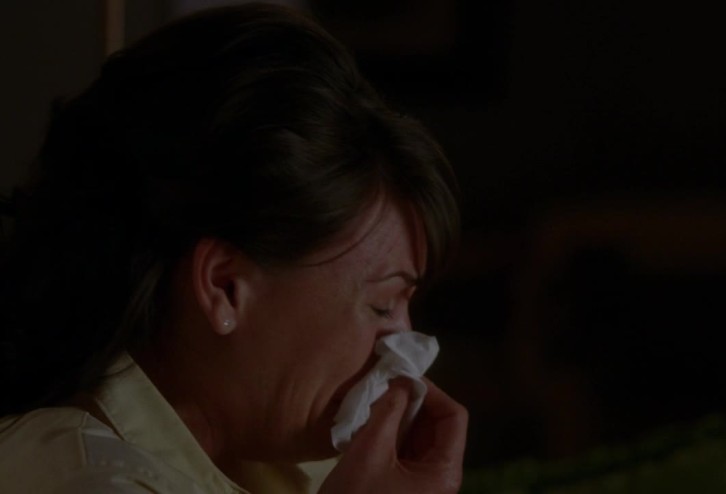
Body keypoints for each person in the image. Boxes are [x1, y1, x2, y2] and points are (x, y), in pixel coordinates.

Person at [0, 3, 466, 493]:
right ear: (225, 286)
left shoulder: (286, 464)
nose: (403, 345)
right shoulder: (96, 481)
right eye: (382, 305)